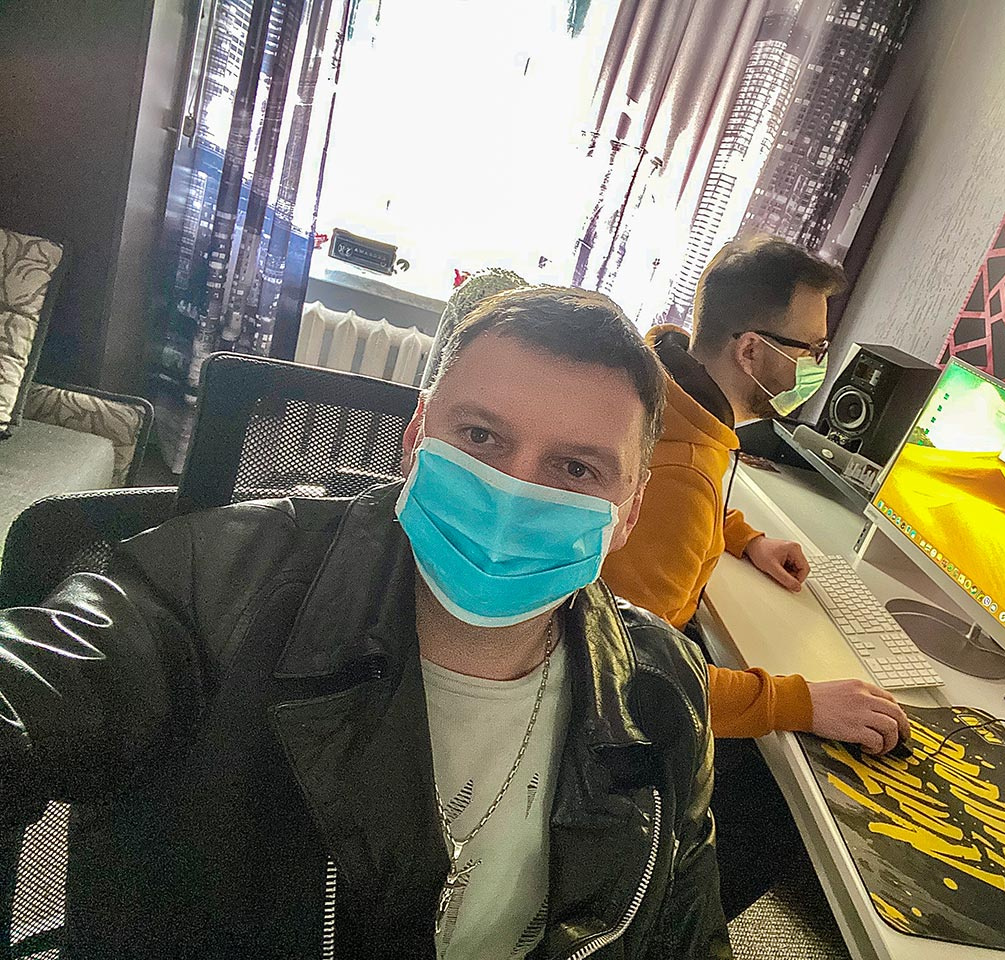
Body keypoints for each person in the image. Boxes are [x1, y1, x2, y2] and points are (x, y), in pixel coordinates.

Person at [0, 288, 730, 959]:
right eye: (480, 436)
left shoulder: (663, 691)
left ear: (629, 512)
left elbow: (687, 935)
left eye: (575, 470)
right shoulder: (210, 587)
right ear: (415, 439)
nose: (512, 495)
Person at [600, 236, 911, 917]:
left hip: (639, 641)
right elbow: (632, 681)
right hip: (606, 727)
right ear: (750, 351)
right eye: (811, 349)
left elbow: (689, 494)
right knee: (789, 793)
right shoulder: (683, 472)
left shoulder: (670, 384)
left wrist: (744, 537)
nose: (818, 367)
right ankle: (658, 923)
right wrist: (803, 703)